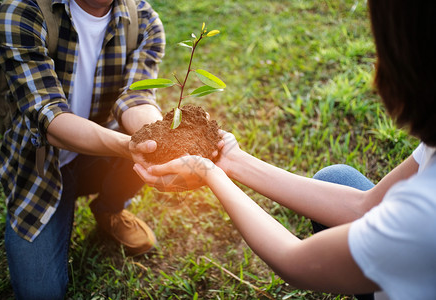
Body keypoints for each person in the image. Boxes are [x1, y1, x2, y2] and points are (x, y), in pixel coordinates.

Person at [132, 0, 436, 299]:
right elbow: (365, 207)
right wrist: (233, 160)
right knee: (337, 178)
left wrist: (209, 172)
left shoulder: (425, 214)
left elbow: (295, 261)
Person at [0, 0, 165, 298]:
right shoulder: (20, 12)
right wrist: (129, 146)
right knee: (40, 293)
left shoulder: (143, 18)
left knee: (151, 146)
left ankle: (109, 207)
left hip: (100, 150)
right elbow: (50, 118)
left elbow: (137, 97)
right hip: (41, 166)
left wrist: (159, 141)